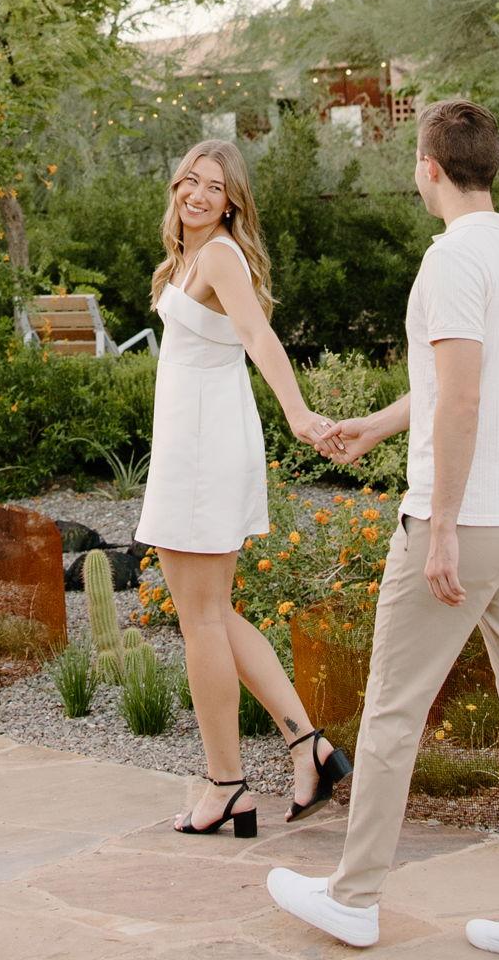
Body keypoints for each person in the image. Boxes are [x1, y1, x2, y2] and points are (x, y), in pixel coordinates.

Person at [266, 98, 499, 958]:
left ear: (428, 169)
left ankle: (354, 897)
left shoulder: (451, 260)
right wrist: (376, 425)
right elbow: (460, 382)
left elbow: (465, 398)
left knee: (393, 712)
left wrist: (442, 528)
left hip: (467, 524)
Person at [135, 138, 352, 838]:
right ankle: (306, 745)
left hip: (203, 448)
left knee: (200, 620)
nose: (197, 195)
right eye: (189, 181)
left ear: (232, 203)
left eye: (214, 187)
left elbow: (259, 336)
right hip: (194, 441)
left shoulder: (221, 256)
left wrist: (299, 414)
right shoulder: (190, 256)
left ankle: (226, 784)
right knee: (212, 613)